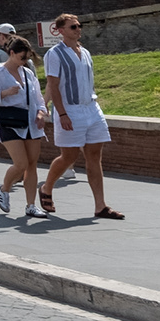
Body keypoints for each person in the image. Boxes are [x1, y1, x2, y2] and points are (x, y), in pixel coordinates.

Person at [41, 14, 123, 220]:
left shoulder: (85, 52)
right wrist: (61, 113)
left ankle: (100, 206)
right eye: (73, 27)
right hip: (70, 109)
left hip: (91, 108)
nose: (78, 29)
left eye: (79, 26)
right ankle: (46, 187)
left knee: (95, 155)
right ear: (61, 30)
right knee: (69, 156)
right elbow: (53, 85)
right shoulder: (54, 54)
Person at [0, 37, 47, 218]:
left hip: (30, 122)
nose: (24, 61)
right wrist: (5, 93)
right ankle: (4, 188)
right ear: (11, 53)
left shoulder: (28, 73)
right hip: (8, 122)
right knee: (21, 164)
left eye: (27, 58)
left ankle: (31, 205)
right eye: (22, 57)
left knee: (32, 164)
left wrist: (41, 113)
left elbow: (38, 98)